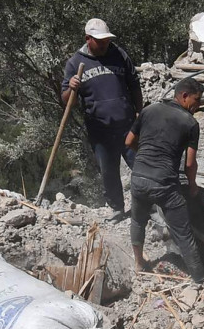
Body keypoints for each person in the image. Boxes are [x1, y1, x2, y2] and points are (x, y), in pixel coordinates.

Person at [125, 77, 204, 281]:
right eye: (196, 101)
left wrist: (145, 155)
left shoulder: (148, 110)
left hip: (138, 178)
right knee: (183, 232)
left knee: (138, 221)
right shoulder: (190, 123)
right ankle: (200, 277)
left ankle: (138, 263)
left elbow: (128, 141)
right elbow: (189, 164)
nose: (197, 107)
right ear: (184, 95)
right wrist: (192, 187)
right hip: (164, 184)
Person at [60, 18, 142, 217]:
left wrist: (140, 113)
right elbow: (66, 100)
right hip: (100, 129)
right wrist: (71, 87)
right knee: (108, 171)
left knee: (140, 165)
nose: (105, 44)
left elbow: (134, 84)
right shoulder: (75, 63)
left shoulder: (118, 54)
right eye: (100, 41)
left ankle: (150, 205)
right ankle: (117, 208)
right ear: (88, 39)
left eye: (106, 40)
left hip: (127, 124)